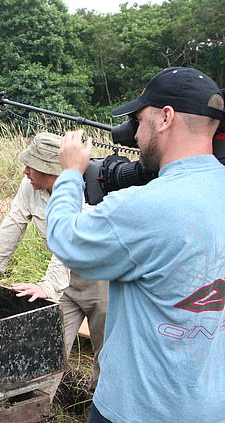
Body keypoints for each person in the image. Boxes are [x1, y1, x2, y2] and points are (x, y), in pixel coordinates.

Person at [46, 67, 225, 422]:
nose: (136, 133)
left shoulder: (143, 208)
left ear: (165, 118)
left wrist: (69, 172)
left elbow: (66, 239)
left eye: (140, 120)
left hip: (138, 408)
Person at [0, 132, 108, 401]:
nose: (25, 170)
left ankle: (101, 408)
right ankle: (36, 407)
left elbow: (70, 243)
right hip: (67, 284)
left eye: (31, 165)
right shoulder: (29, 186)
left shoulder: (85, 191)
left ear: (49, 168)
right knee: (48, 346)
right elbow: (13, 224)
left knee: (106, 353)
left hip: (103, 280)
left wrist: (47, 286)